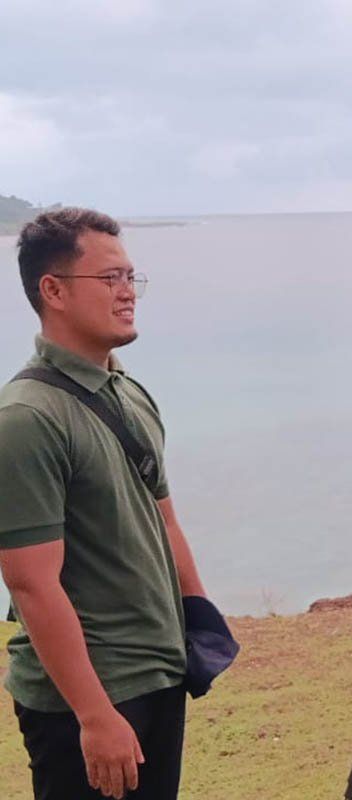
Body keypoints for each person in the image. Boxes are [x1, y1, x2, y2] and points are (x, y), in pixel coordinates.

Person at [0, 208, 210, 800]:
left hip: (157, 674)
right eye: (109, 278)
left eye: (130, 278)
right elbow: (31, 583)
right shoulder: (27, 419)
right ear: (53, 291)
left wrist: (199, 624)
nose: (127, 293)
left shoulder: (128, 391)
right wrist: (93, 715)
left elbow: (163, 519)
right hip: (86, 697)